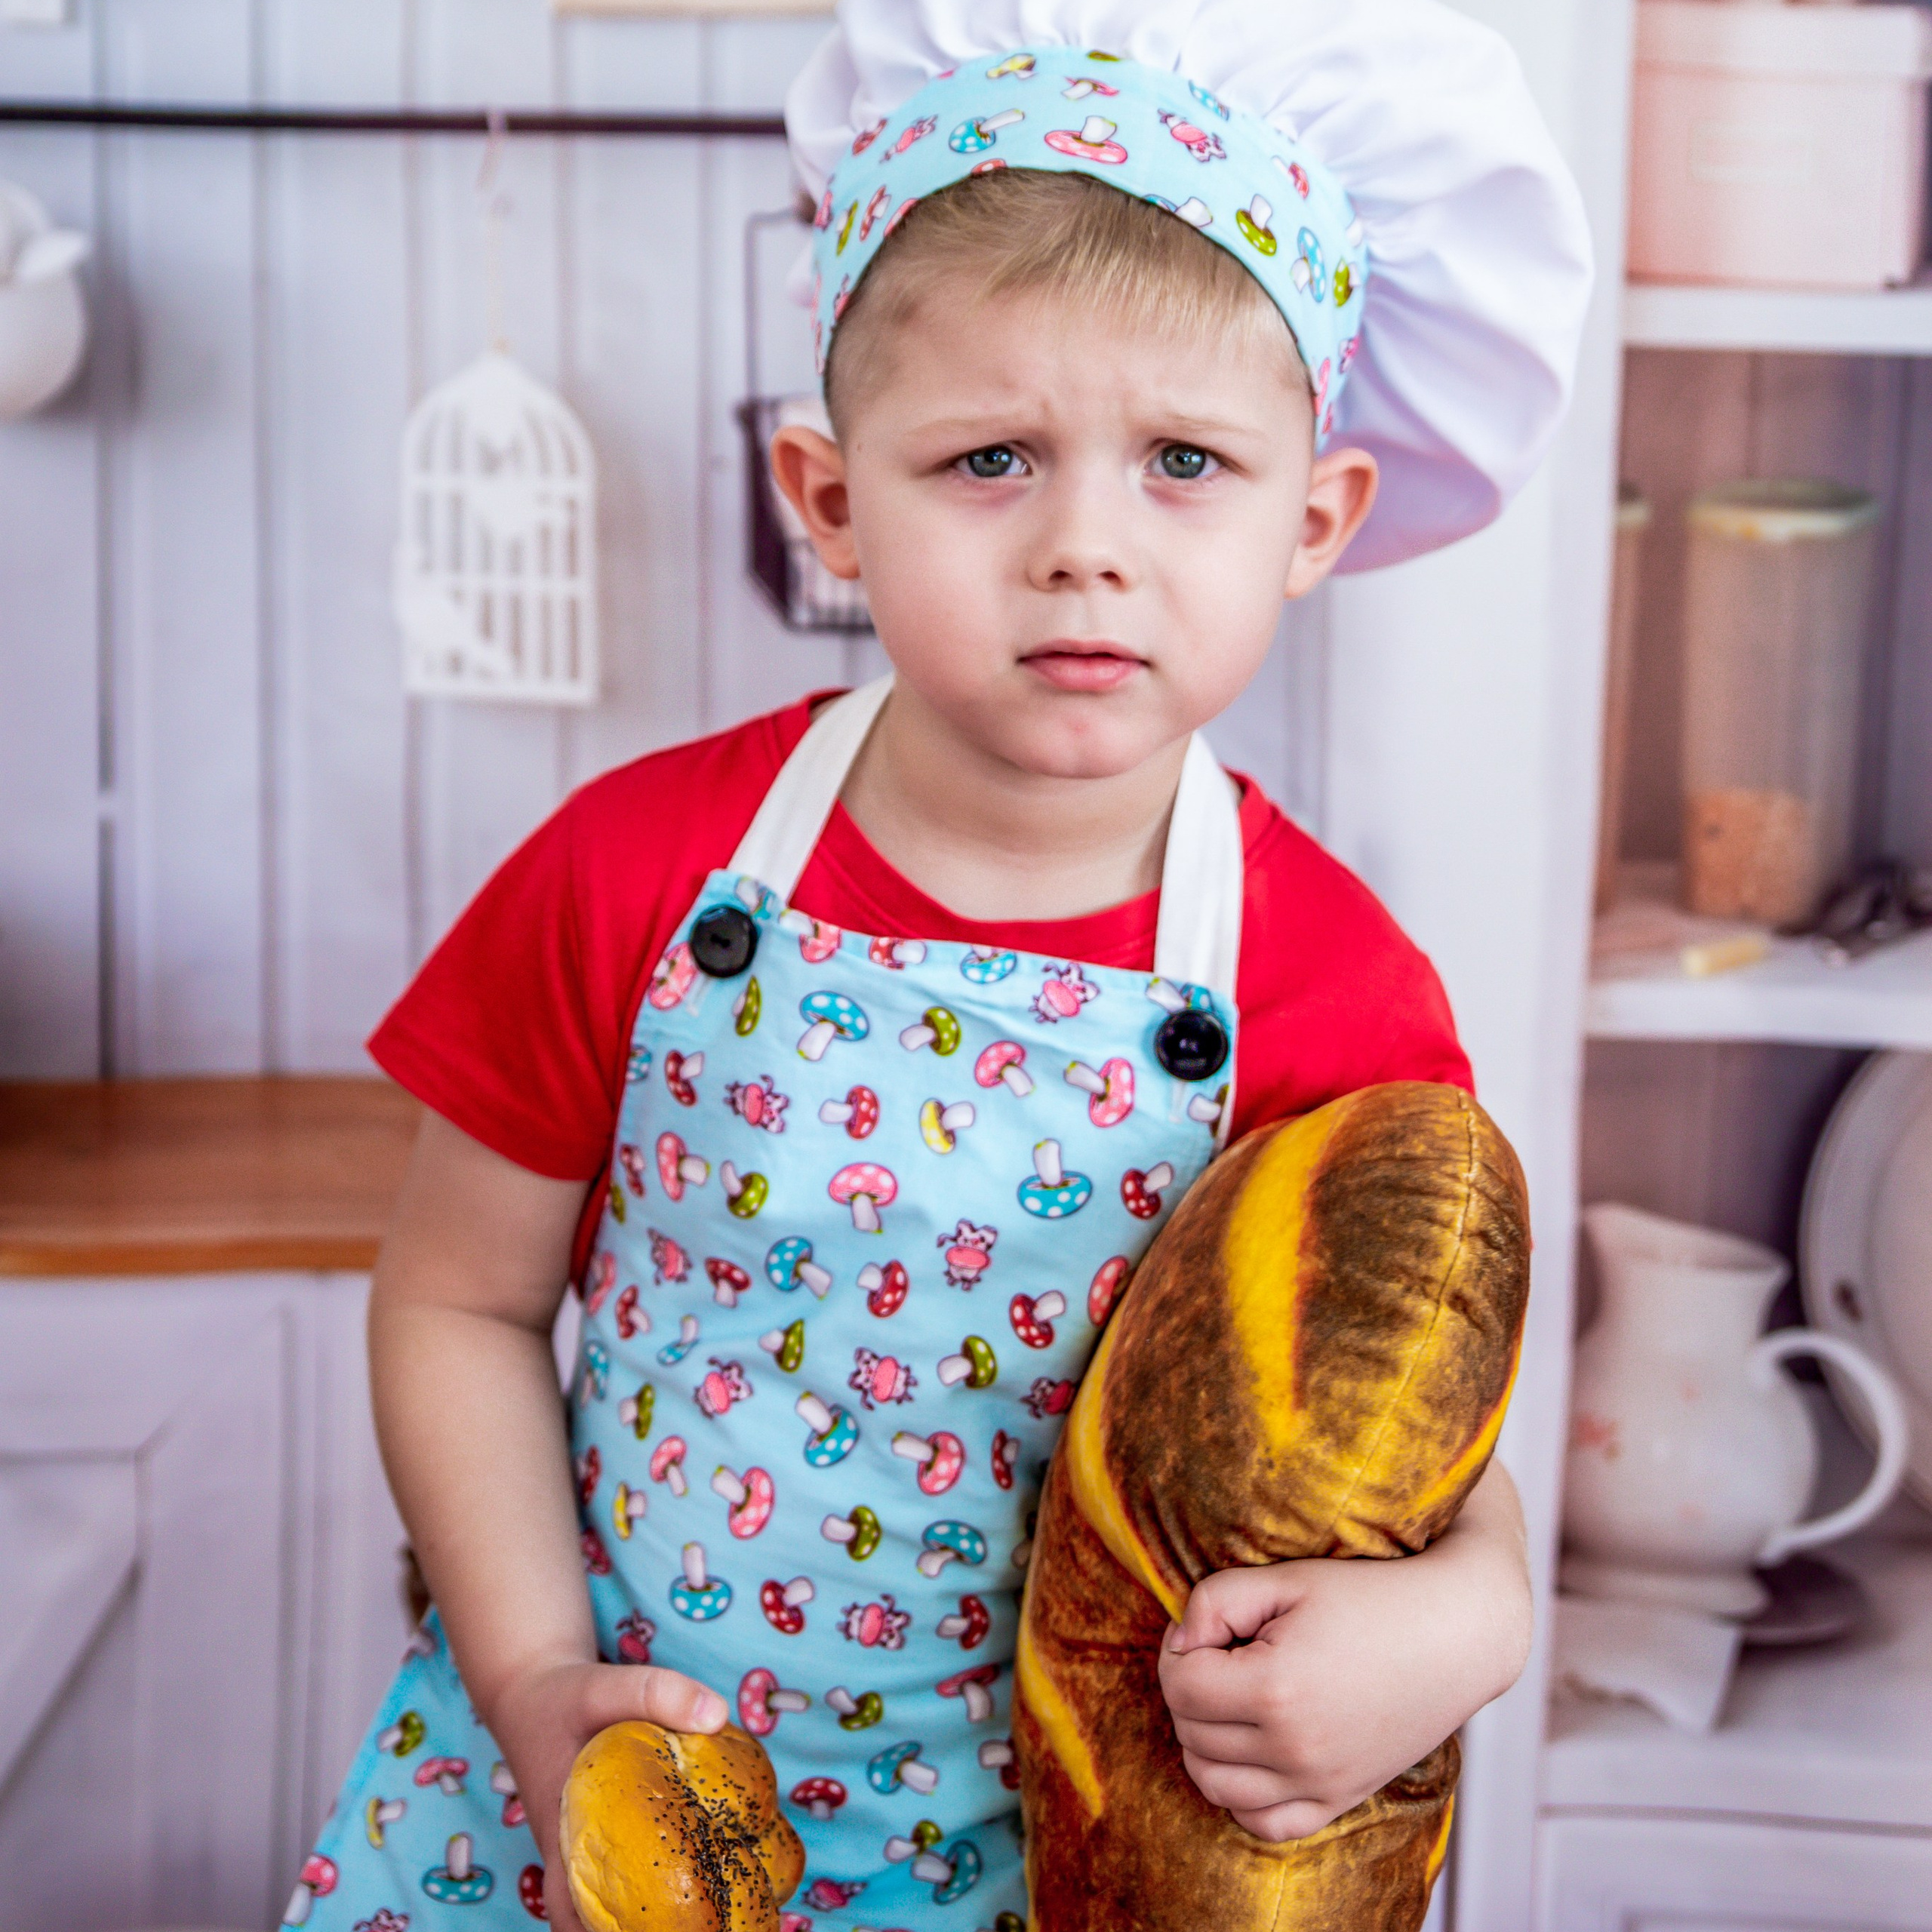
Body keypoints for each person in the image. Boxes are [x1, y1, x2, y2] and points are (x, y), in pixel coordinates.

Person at [292, 4, 1592, 1927]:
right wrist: (531, 1682)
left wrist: (1463, 1615)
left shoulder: (1330, 985)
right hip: (581, 1827)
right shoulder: (631, 875)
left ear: (1309, 520)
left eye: (1182, 462)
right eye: (987, 457)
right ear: (828, 497)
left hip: (1031, 1872)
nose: (1084, 545)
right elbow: (457, 1307)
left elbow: (1399, 1440)